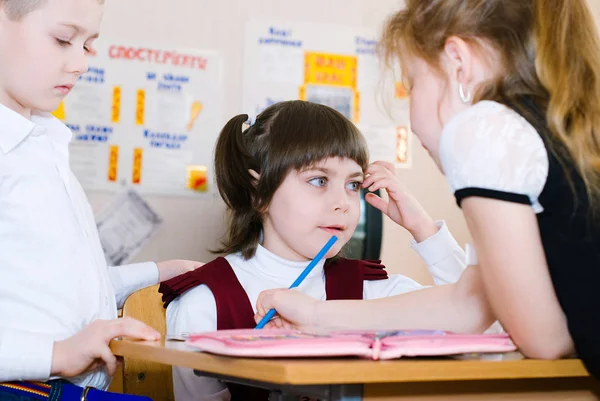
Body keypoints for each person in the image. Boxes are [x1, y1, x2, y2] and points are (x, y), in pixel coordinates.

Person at [255, 0, 600, 379]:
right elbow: (467, 305)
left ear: (458, 63)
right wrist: (316, 315)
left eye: (411, 84)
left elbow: (545, 339)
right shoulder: (554, 125)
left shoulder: (483, 129)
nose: (410, 111)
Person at [159, 100, 471, 401]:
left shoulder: (372, 288)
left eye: (353, 184)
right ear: (258, 191)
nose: (343, 203)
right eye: (319, 180)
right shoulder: (203, 301)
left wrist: (424, 230)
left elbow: (482, 318)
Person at [0, 0, 203, 399]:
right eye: (63, 39)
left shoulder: (42, 144)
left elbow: (55, 289)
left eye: (89, 45)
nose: (81, 64)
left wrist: (161, 271)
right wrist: (57, 353)